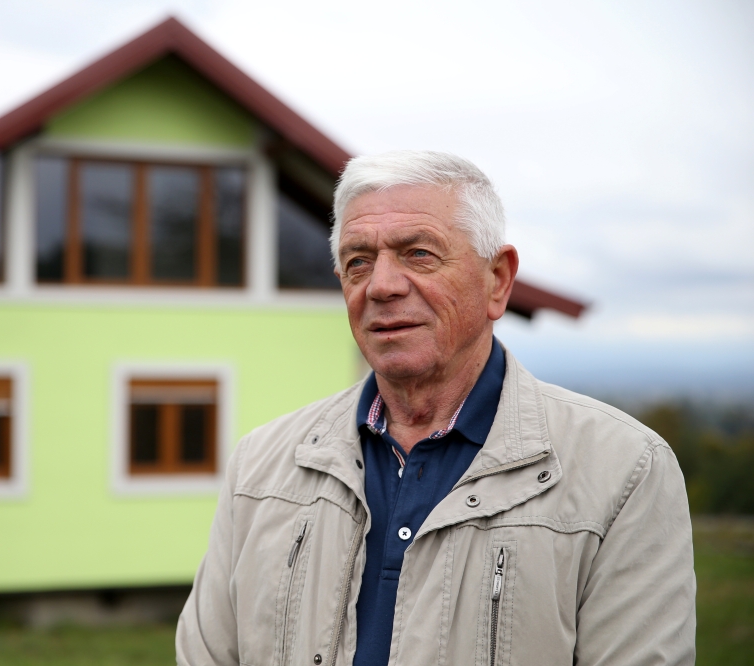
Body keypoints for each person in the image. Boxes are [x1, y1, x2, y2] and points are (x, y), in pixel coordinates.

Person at [176, 151, 696, 666]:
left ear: (497, 281)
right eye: (358, 261)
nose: (381, 286)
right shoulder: (261, 465)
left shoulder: (625, 470)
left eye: (419, 253)